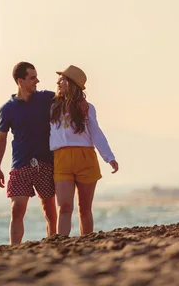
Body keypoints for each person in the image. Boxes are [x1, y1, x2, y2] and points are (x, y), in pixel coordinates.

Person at [49, 65, 119, 236]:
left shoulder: (87, 108)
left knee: (84, 208)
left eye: (63, 79)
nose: (58, 82)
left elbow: (96, 133)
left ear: (72, 84)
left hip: (85, 158)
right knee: (64, 206)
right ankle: (61, 242)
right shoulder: (51, 106)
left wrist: (109, 157)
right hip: (61, 158)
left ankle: (86, 241)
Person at [0, 61, 57, 245]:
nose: (37, 81)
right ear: (20, 81)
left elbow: (67, 98)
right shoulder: (7, 108)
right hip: (20, 164)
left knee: (49, 210)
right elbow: (2, 139)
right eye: (32, 78)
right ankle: (15, 248)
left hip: (46, 162)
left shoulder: (45, 98)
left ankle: (53, 242)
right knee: (17, 208)